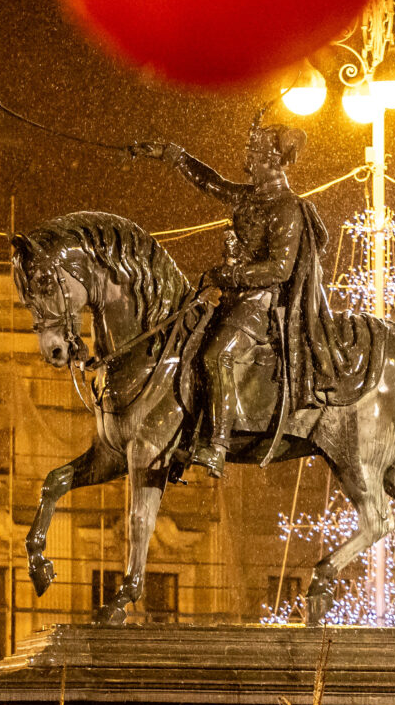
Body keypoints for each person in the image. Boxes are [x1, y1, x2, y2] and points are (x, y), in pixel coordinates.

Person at [126, 116, 371, 477]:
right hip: (234, 300)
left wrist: (228, 275)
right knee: (181, 349)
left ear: (272, 160)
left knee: (216, 356)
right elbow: (213, 184)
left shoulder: (286, 208)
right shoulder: (249, 198)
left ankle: (219, 444)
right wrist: (172, 154)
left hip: (262, 305)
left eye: (253, 156)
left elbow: (279, 269)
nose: (246, 164)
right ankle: (187, 435)